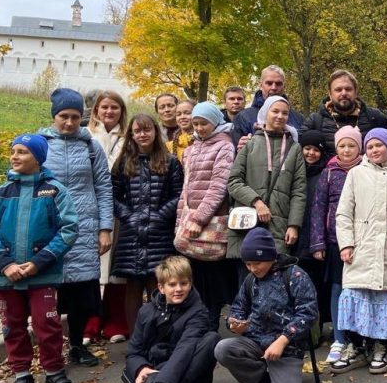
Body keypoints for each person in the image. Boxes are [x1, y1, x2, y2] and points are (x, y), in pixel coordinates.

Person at [0, 134, 79, 383]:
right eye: (13, 151)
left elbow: (68, 229)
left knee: (48, 325)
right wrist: (5, 264)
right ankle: (22, 376)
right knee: (13, 326)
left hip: (43, 275)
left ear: (38, 158)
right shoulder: (1, 193)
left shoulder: (54, 190)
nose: (15, 156)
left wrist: (38, 262)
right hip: (6, 277)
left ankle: (54, 372)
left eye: (22, 152)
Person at [330, 128, 387, 375]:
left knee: (383, 299)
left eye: (379, 145)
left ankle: (380, 347)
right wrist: (346, 243)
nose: (374, 150)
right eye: (370, 147)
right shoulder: (356, 174)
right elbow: (344, 212)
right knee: (357, 297)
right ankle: (356, 348)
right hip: (361, 249)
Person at [39, 88, 113, 367]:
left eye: (74, 117)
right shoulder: (41, 144)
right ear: (53, 116)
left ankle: (77, 346)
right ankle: (51, 350)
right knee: (49, 295)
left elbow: (104, 188)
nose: (69, 122)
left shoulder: (90, 146)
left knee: (82, 294)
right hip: (49, 227)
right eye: (63, 116)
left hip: (84, 227)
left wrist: (104, 228)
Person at [215, 228, 319, 383]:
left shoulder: (295, 275)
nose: (252, 269)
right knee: (222, 349)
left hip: (287, 349)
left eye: (257, 263)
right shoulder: (250, 280)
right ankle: (262, 377)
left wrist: (283, 340)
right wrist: (234, 323)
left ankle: (279, 377)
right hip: (256, 341)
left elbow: (308, 313)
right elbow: (238, 307)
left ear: (270, 256)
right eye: (248, 264)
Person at [111, 114, 184, 333]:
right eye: (137, 131)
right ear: (131, 135)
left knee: (158, 283)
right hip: (131, 233)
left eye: (147, 130)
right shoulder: (123, 162)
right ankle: (136, 336)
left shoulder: (170, 161)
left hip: (160, 232)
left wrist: (160, 216)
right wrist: (128, 216)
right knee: (133, 285)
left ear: (155, 132)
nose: (143, 135)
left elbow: (179, 194)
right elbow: (113, 195)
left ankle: (160, 334)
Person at [122, 256, 220, 383]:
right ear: (161, 287)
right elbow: (134, 351)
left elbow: (184, 350)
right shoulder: (146, 311)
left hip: (186, 371)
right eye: (172, 285)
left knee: (211, 339)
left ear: (191, 283)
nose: (178, 289)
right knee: (149, 378)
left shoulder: (199, 312)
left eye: (184, 283)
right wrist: (141, 369)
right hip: (153, 370)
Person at [178, 102, 237, 329]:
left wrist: (198, 218)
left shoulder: (224, 146)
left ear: (215, 122)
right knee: (195, 277)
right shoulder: (192, 148)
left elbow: (218, 187)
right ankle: (196, 323)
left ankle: (210, 324)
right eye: (196, 123)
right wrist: (180, 222)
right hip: (190, 218)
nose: (200, 128)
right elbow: (186, 188)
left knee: (212, 278)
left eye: (204, 123)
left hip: (210, 221)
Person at [309, 126, 363, 363]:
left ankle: (359, 338)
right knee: (338, 288)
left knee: (360, 289)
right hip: (334, 240)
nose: (347, 150)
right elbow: (319, 207)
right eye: (342, 145)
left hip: (362, 239)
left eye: (352, 145)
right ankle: (339, 338)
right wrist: (318, 241)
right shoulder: (329, 172)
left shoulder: (366, 170)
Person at [228, 96, 307, 257]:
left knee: (275, 277)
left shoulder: (294, 148)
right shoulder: (250, 144)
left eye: (285, 113)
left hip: (279, 227)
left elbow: (299, 191)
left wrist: (294, 225)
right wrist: (256, 202)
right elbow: (234, 181)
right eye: (275, 111)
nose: (280, 116)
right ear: (265, 112)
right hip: (248, 223)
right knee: (248, 277)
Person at [84, 90, 131, 345]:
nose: (109, 112)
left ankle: (115, 321)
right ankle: (90, 321)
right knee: (93, 262)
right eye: (105, 107)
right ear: (96, 111)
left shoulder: (128, 137)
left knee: (116, 264)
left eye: (115, 108)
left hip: (120, 206)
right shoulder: (87, 135)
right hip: (91, 206)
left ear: (122, 112)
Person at [300, 69, 387, 157]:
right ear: (330, 94)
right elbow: (296, 145)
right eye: (338, 90)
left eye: (348, 89)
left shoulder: (374, 117)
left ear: (356, 92)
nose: (344, 93)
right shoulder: (316, 120)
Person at [296, 130, 329, 338]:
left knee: (316, 286)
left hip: (316, 238)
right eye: (307, 148)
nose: (311, 153)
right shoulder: (293, 171)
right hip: (296, 237)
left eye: (316, 150)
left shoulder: (325, 173)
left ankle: (314, 332)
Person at [232, 66, 305, 144]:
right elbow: (236, 150)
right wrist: (240, 147)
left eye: (278, 84)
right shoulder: (244, 117)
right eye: (269, 83)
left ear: (284, 87)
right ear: (260, 85)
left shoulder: (298, 118)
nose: (274, 87)